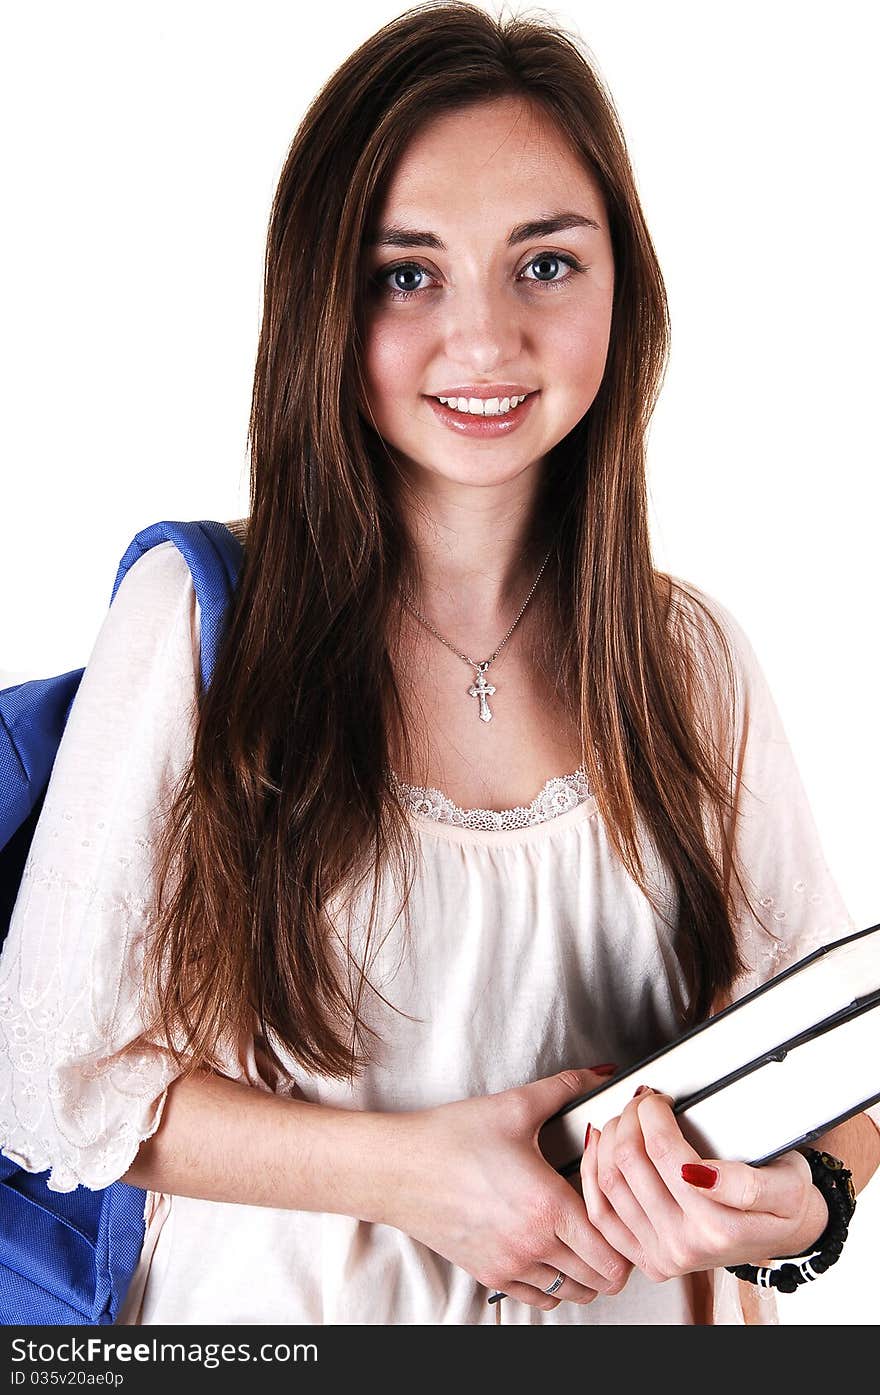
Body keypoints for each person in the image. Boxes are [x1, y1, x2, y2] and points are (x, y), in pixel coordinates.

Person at [1, 1, 877, 1326]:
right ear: (323, 302)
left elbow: (841, 1064)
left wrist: (801, 1206)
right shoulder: (197, 619)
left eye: (545, 264)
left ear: (622, 284)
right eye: (406, 272)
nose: (483, 340)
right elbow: (46, 1075)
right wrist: (413, 1175)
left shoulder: (690, 660)